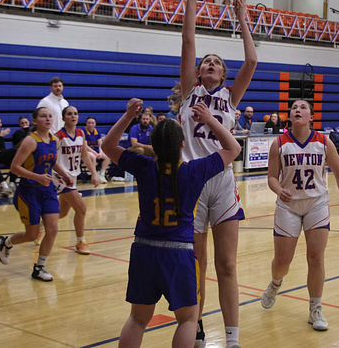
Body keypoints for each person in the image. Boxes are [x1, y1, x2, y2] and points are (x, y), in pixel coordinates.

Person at [102, 98, 241, 348]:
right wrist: (209, 120)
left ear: (153, 146)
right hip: (179, 254)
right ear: (183, 145)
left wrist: (128, 116)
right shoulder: (194, 170)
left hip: (144, 250)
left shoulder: (143, 166)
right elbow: (233, 149)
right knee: (187, 320)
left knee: (137, 319)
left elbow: (107, 145)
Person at [174, 0, 257, 348]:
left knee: (226, 264)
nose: (209, 63)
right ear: (198, 72)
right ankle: (197, 328)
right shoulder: (189, 91)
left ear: (222, 75)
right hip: (191, 179)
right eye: (206, 62)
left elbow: (252, 61)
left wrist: (242, 18)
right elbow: (188, 42)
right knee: (197, 263)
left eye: (216, 63)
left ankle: (232, 338)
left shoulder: (230, 97)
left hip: (222, 182)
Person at [261, 100, 339, 331]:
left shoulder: (323, 141)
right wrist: (278, 189)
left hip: (316, 204)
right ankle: (276, 282)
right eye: (294, 108)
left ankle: (315, 309)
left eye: (302, 107)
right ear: (290, 116)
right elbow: (271, 177)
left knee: (316, 257)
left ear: (311, 117)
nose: (297, 110)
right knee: (282, 262)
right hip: (288, 206)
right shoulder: (279, 143)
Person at [0, 107, 73, 281]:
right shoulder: (30, 141)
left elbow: (52, 162)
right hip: (29, 191)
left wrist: (64, 174)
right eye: (43, 116)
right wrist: (37, 177)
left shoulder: (54, 140)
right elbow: (14, 167)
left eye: (50, 116)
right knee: (32, 235)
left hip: (47, 190)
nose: (48, 119)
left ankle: (39, 267)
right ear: (35, 120)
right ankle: (6, 243)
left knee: (53, 229)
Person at [54, 106, 100, 255]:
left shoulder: (81, 133)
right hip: (60, 177)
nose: (73, 116)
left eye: (75, 113)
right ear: (63, 118)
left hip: (72, 176)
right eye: (69, 114)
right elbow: (51, 158)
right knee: (81, 209)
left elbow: (85, 155)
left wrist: (94, 173)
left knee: (62, 213)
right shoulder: (58, 136)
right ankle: (81, 242)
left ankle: (41, 224)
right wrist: (61, 174)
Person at [85, 116, 110, 184]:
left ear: (95, 124)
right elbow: (85, 146)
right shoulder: (84, 132)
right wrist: (95, 153)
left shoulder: (97, 132)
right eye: (89, 123)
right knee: (93, 157)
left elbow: (100, 144)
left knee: (107, 156)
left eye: (92, 123)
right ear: (86, 124)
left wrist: (101, 152)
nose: (91, 124)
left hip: (95, 150)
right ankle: (94, 175)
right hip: (86, 151)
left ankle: (102, 174)